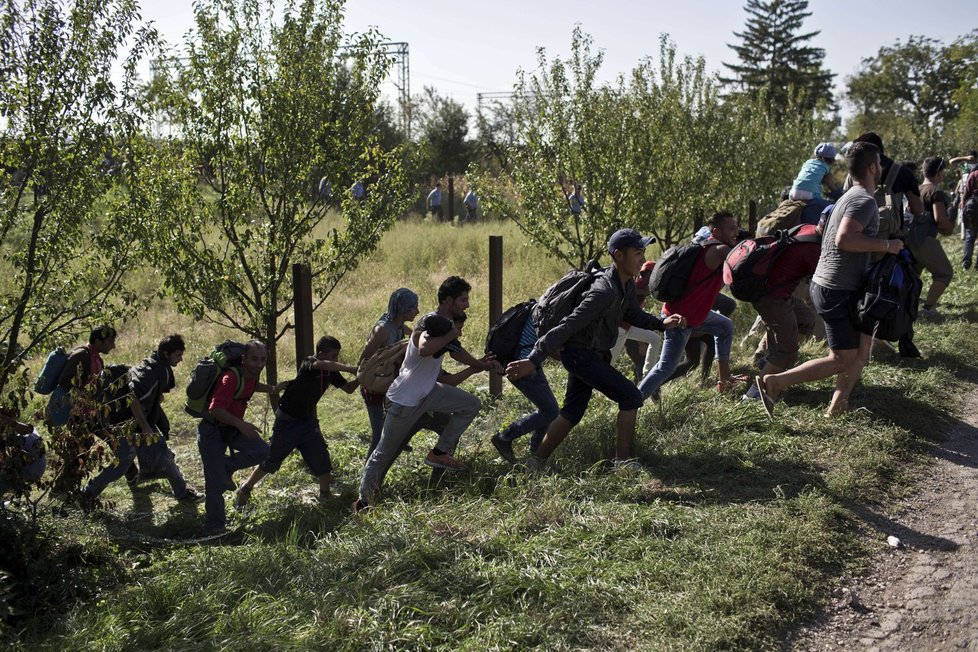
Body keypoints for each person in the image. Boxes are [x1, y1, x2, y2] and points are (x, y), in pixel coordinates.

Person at [506, 229, 686, 471]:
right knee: (630, 397)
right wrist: (534, 359)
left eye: (643, 252)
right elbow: (568, 325)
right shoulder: (603, 291)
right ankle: (621, 463)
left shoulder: (626, 284)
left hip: (591, 354)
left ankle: (535, 462)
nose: (643, 259)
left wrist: (660, 324)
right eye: (637, 253)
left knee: (572, 411)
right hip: (581, 355)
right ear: (618, 255)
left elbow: (632, 313)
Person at [755, 141, 904, 418]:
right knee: (842, 358)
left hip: (837, 284)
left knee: (861, 350)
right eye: (879, 164)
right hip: (836, 288)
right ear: (872, 167)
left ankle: (837, 406)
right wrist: (887, 246)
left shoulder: (848, 196)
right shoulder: (861, 200)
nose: (881, 168)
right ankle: (774, 382)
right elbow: (844, 238)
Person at [354, 312, 486, 511]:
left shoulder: (442, 334)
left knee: (471, 404)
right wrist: (450, 335)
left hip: (428, 393)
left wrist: (483, 364)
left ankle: (440, 452)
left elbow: (460, 355)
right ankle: (364, 502)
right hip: (403, 401)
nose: (458, 334)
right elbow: (425, 349)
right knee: (384, 452)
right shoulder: (423, 335)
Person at [79, 335, 204, 510]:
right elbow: (133, 396)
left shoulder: (157, 365)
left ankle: (89, 492)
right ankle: (183, 493)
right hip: (132, 423)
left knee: (123, 463)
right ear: (167, 354)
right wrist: (145, 425)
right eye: (177, 355)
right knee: (162, 456)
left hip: (132, 421)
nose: (181, 359)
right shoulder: (153, 371)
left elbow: (157, 395)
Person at [235, 336, 358, 507]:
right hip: (287, 422)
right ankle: (245, 489)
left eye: (338, 356)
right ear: (321, 354)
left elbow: (349, 389)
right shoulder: (310, 363)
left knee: (322, 458)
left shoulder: (332, 372)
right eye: (334, 356)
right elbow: (322, 365)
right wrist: (351, 368)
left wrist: (362, 375)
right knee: (272, 460)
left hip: (307, 422)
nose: (336, 360)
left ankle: (325, 497)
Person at [637, 213, 740, 401]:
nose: (736, 232)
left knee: (725, 327)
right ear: (716, 231)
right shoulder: (719, 250)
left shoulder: (704, 243)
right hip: (680, 319)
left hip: (696, 316)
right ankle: (633, 400)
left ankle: (724, 381)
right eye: (731, 228)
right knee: (665, 368)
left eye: (737, 227)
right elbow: (739, 260)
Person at [196, 340, 287, 536]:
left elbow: (251, 386)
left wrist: (273, 388)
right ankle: (215, 528)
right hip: (212, 431)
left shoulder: (250, 375)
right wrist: (240, 424)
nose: (259, 364)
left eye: (263, 360)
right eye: (254, 359)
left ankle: (225, 467)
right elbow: (215, 409)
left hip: (231, 427)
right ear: (244, 359)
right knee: (214, 485)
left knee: (263, 451)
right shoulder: (230, 378)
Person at [741, 225, 821, 401]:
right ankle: (754, 395)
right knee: (787, 352)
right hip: (772, 298)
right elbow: (824, 282)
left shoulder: (806, 228)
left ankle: (768, 364)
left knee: (805, 318)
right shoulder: (814, 249)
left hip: (777, 294)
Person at [50, 325, 133, 490]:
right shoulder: (81, 355)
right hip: (79, 415)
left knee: (113, 440)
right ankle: (60, 489)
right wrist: (85, 394)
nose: (113, 345)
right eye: (110, 341)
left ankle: (132, 473)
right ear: (97, 340)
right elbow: (64, 381)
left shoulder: (96, 357)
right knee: (80, 452)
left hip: (93, 413)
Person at [490, 305, 560, 465]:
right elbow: (554, 350)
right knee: (552, 412)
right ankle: (505, 437)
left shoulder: (539, 307)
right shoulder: (550, 312)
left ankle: (535, 455)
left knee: (546, 410)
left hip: (522, 363)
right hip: (524, 367)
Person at [850, 132, 924, 243]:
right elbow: (917, 209)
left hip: (858, 238)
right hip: (890, 240)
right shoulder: (903, 173)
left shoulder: (854, 172)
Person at [908, 157, 954, 315]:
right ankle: (928, 308)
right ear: (939, 173)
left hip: (910, 239)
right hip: (925, 239)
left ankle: (905, 306)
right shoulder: (935, 191)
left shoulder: (917, 188)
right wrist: (949, 228)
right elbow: (940, 219)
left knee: (912, 275)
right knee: (944, 273)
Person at [608, 260, 662, 382]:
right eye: (654, 274)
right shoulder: (637, 285)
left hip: (628, 328)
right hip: (621, 328)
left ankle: (648, 376)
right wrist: (640, 343)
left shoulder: (641, 285)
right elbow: (633, 314)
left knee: (655, 339)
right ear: (648, 274)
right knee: (608, 364)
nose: (656, 277)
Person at [960, 166, 978, 269]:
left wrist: (963, 206)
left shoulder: (974, 174)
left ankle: (966, 263)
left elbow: (966, 192)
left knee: (970, 236)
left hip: (972, 208)